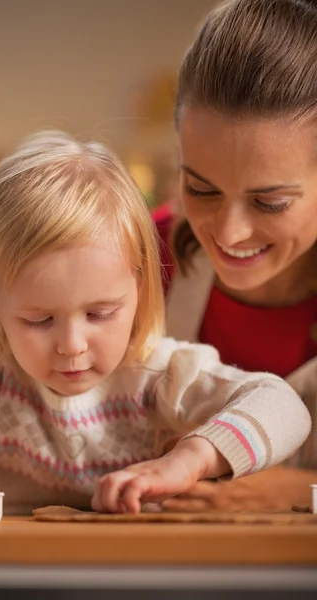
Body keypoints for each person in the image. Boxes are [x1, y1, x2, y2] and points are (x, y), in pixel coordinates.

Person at [0, 131, 311, 515]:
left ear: (139, 288)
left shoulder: (160, 373)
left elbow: (285, 407)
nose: (72, 345)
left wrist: (191, 459)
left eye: (99, 315)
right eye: (39, 320)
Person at [154, 0, 317, 511]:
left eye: (270, 201)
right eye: (200, 189)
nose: (228, 232)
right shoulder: (137, 258)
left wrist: (298, 491)